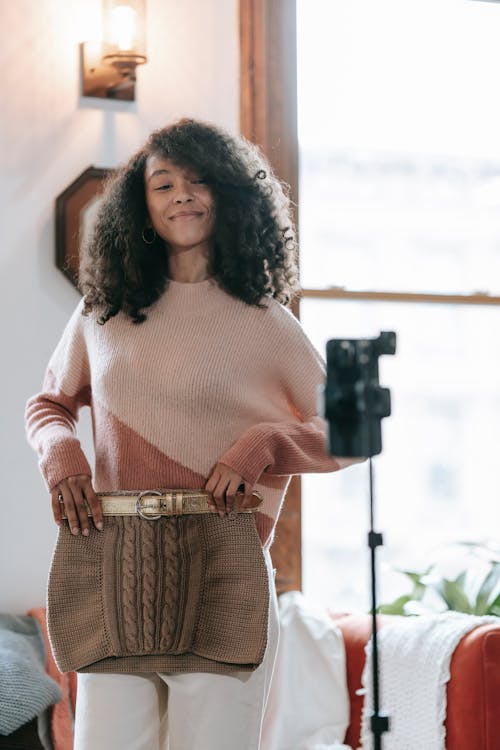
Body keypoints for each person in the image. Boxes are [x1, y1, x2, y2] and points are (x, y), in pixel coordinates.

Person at [25, 118, 360, 750]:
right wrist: (63, 453)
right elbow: (49, 405)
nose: (182, 194)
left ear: (229, 194)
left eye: (198, 180)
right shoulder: (103, 313)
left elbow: (349, 431)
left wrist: (265, 443)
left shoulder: (266, 321)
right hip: (111, 560)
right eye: (163, 183)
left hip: (223, 566)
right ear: (141, 207)